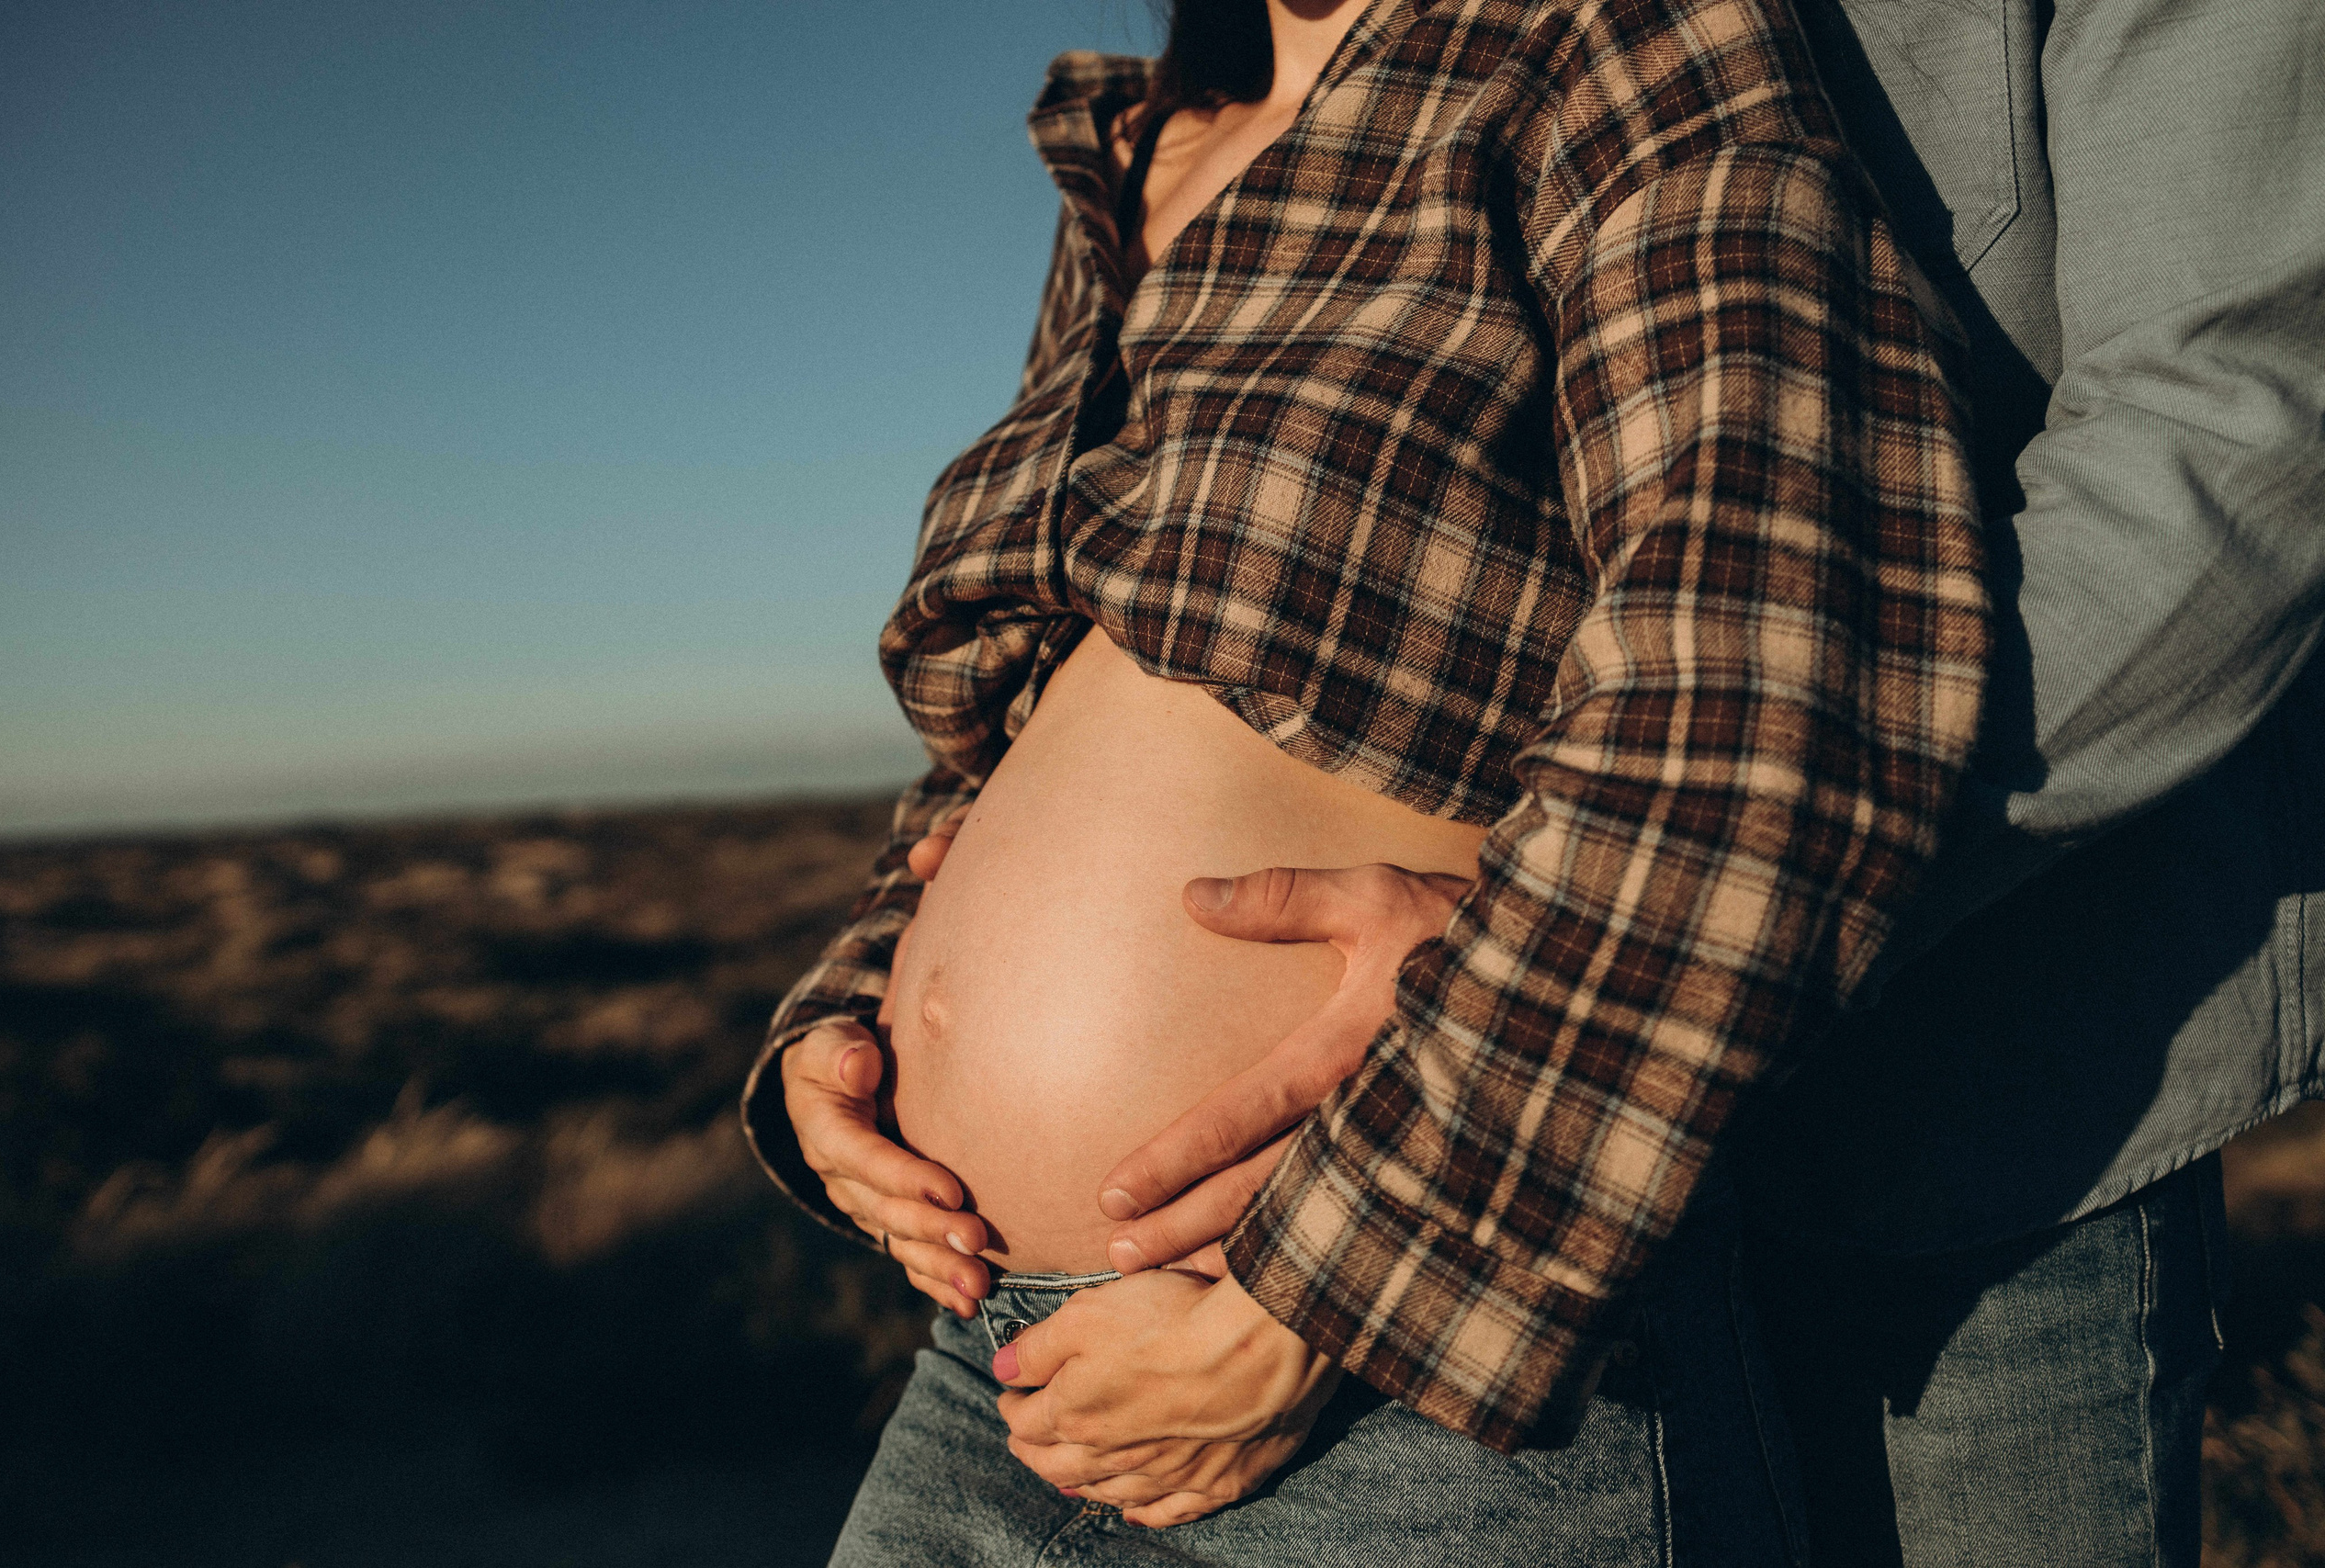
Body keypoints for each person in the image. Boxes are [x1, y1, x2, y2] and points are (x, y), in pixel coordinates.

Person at [895, 0, 2325, 1562]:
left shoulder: (1608, 37)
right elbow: (1114, 636)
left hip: (1954, 1085)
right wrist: (864, 1006)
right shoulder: (1244, 118)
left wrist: (1577, 936)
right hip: (1414, 1121)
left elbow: (2229, 442)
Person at [742, 0, 1992, 1558]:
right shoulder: (1135, 152)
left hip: (1399, 1353)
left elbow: (1770, 670)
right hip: (991, 1342)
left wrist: (1340, 1283)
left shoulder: (1607, 39)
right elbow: (1013, 728)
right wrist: (849, 1026)